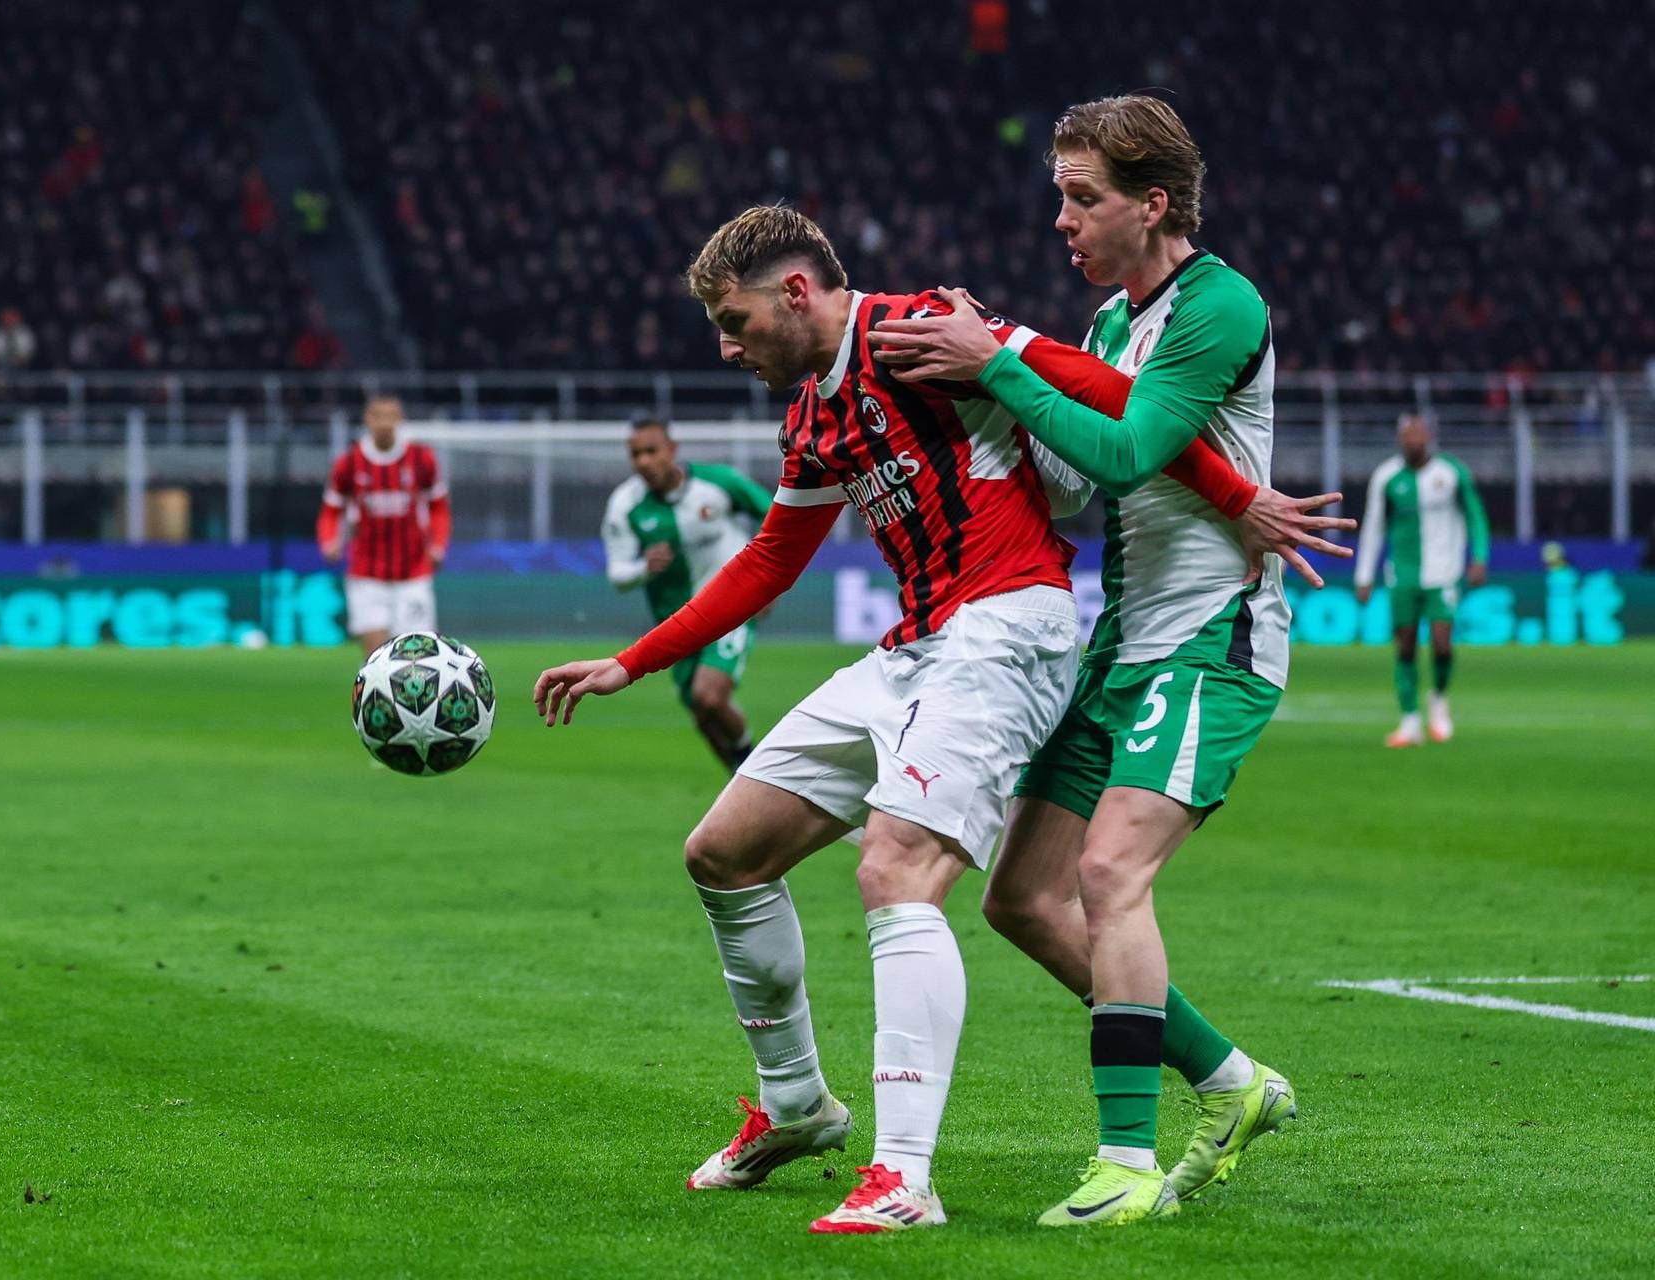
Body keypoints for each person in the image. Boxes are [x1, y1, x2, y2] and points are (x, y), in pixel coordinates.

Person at [533, 205, 1337, 1234]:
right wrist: (632, 661)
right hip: (916, 647)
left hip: (1008, 626)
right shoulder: (814, 414)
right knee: (725, 850)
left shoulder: (917, 331)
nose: (727, 348)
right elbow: (774, 557)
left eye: (734, 322)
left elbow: (1120, 404)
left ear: (796, 293)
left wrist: (1235, 494)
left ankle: (904, 1176)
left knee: (897, 867)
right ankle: (797, 1106)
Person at [869, 94, 1354, 1226]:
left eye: (1081, 197)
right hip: (1118, 643)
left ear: (1153, 202)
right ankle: (1232, 1083)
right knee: (1024, 897)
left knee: (1108, 874)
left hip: (1210, 638)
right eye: (1059, 196)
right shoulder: (1101, 329)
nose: (1063, 220)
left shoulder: (1221, 305)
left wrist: (1004, 358)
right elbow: (1085, 479)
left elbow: (1136, 444)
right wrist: (980, 380)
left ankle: (1127, 1159)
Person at [601, 418, 771, 769]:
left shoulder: (718, 482)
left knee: (708, 696)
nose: (644, 461)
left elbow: (776, 515)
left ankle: (763, 781)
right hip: (676, 624)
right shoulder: (625, 505)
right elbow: (618, 576)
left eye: (651, 451)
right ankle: (745, 787)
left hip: (730, 606)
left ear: (672, 450)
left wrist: (766, 584)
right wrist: (643, 568)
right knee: (704, 716)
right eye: (635, 454)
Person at [1354, 413, 1490, 746]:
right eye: (1406, 435)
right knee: (1405, 645)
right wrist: (1364, 574)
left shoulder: (1451, 472)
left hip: (1444, 573)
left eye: (1417, 434)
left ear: (1429, 435)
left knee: (1442, 643)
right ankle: (1410, 721)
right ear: (1400, 439)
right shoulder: (1386, 477)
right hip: (1402, 574)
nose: (1412, 441)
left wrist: (1480, 558)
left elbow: (1475, 515)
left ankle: (1439, 699)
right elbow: (1373, 526)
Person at [317, 395, 450, 656]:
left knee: (417, 659)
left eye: (391, 416)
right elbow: (331, 510)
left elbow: (439, 507)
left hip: (413, 573)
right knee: (377, 658)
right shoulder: (350, 463)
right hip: (367, 575)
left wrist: (438, 544)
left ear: (400, 419)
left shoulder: (421, 459)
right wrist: (329, 540)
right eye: (379, 417)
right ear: (368, 420)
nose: (385, 423)